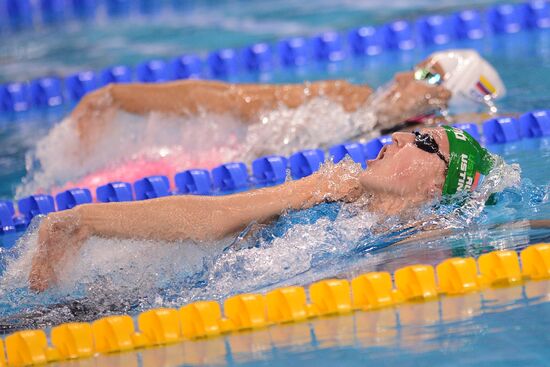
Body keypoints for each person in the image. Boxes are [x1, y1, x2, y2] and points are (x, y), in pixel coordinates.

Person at [29, 126, 495, 292]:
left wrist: (87, 222)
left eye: (423, 141)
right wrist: (84, 221)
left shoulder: (431, 245)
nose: (397, 137)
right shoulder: (331, 204)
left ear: (439, 183)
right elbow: (213, 219)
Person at [40, 49, 505, 196]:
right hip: (197, 172)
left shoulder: (435, 167)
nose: (404, 74)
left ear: (444, 103)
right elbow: (228, 101)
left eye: (426, 75)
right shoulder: (348, 102)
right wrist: (118, 98)